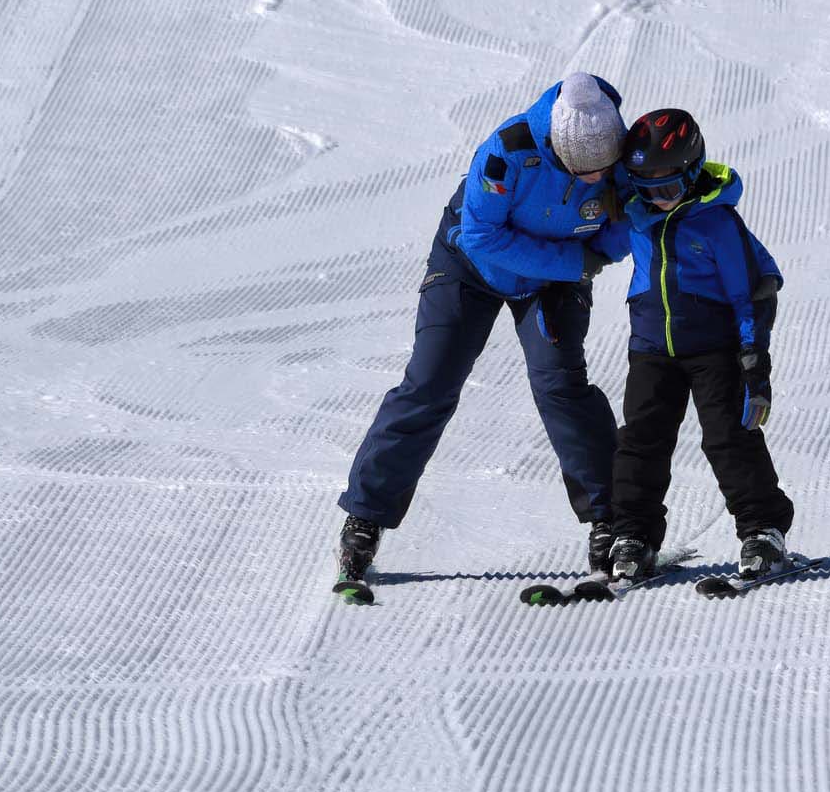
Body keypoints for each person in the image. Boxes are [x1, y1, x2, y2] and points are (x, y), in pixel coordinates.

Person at [335, 73, 633, 586]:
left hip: (554, 282)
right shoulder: (505, 152)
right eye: (585, 171)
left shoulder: (617, 157)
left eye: (604, 169)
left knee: (561, 385)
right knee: (430, 382)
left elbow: (627, 222)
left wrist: (598, 253)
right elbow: (481, 236)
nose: (597, 178)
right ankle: (365, 515)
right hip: (469, 268)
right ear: (558, 149)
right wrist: (574, 261)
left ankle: (614, 519)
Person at [603, 108, 795, 581]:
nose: (657, 199)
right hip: (651, 348)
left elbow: (752, 293)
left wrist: (754, 361)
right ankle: (633, 536)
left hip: (715, 350)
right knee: (640, 440)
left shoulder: (718, 224)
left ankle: (763, 530)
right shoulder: (638, 212)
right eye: (645, 189)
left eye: (668, 189)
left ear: (691, 174)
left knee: (729, 438)